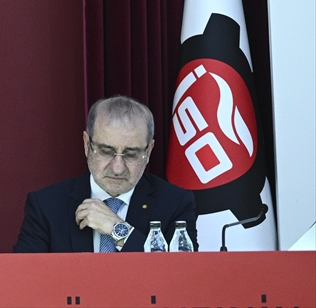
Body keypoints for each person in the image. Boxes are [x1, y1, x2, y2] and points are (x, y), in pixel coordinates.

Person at [13, 95, 197, 252]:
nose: (118, 168)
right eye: (106, 152)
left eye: (131, 154)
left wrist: (117, 229)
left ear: (148, 151)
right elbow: (24, 276)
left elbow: (180, 275)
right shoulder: (46, 206)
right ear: (87, 145)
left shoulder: (175, 203)